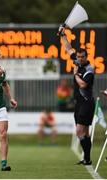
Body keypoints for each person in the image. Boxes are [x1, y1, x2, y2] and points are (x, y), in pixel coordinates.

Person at [58, 25, 95, 165]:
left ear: (86, 57)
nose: (79, 59)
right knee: (84, 132)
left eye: (81, 57)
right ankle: (87, 159)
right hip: (79, 103)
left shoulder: (89, 70)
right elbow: (68, 48)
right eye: (78, 57)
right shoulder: (78, 62)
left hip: (86, 102)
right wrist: (62, 34)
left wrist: (75, 74)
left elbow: (83, 85)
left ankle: (87, 158)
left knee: (80, 131)